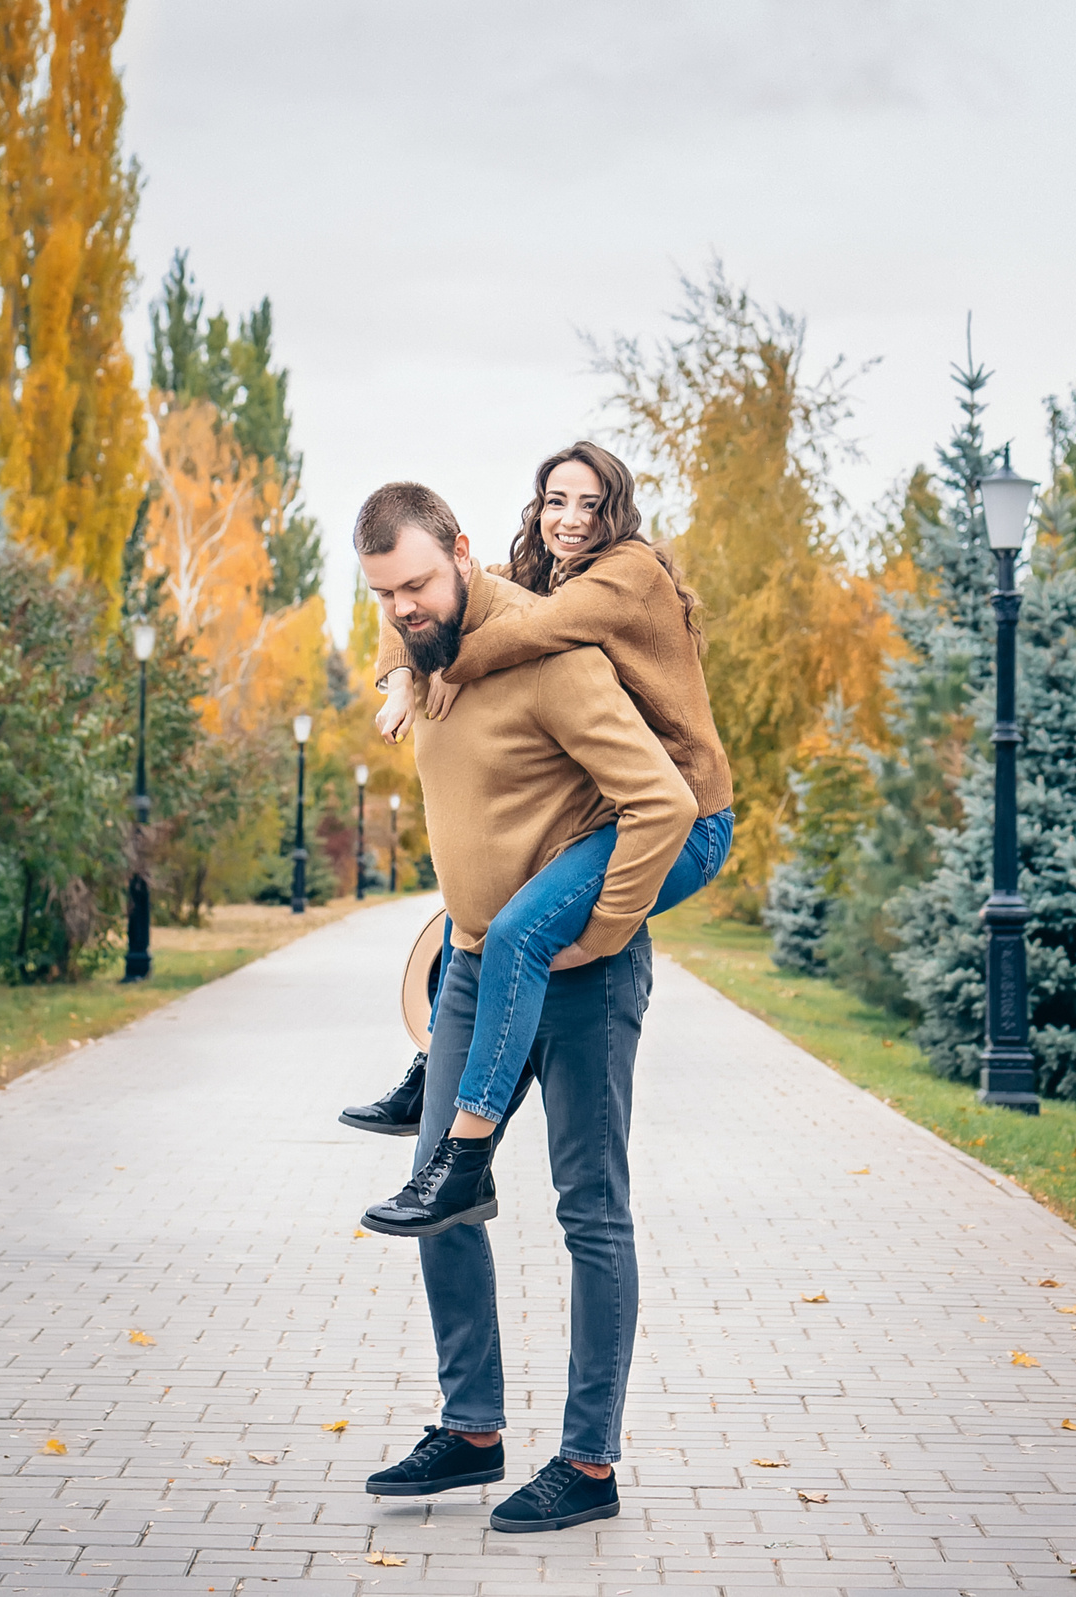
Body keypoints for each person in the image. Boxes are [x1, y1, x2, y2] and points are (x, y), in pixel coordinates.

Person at [349, 480, 694, 1534]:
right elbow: (404, 646)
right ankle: (472, 1428)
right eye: (384, 594)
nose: (404, 606)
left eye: (416, 583)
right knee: (435, 1191)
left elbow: (662, 801)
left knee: (589, 1206)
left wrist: (606, 926)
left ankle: (588, 1462)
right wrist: (399, 662)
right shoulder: (425, 644)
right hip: (471, 969)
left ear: (461, 550)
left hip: (579, 975)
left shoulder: (549, 654)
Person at [338, 443, 736, 1213]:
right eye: (556, 500)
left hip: (687, 816)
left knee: (520, 930)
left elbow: (520, 631)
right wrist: (400, 673)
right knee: (477, 907)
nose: (571, 518)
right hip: (626, 813)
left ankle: (467, 1148)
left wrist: (442, 664)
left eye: (590, 503)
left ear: (615, 509)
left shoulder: (627, 575)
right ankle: (435, 1071)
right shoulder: (539, 569)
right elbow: (420, 598)